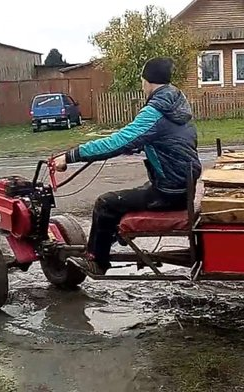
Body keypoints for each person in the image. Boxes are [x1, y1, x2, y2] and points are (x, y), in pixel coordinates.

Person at [53, 57, 202, 275]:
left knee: (105, 204)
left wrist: (70, 156)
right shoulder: (176, 104)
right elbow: (168, 141)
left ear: (147, 81)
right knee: (132, 195)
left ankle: (97, 262)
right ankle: (113, 235)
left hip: (169, 191)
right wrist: (140, 145)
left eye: (142, 81)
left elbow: (118, 141)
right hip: (182, 185)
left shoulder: (156, 111)